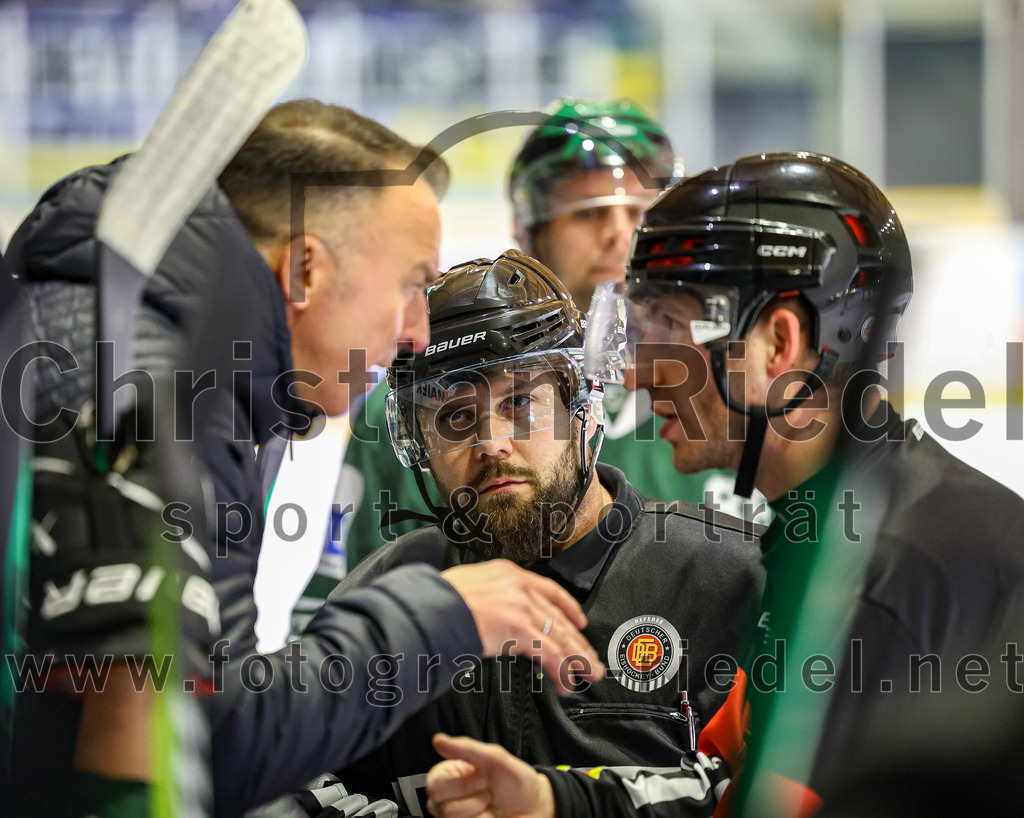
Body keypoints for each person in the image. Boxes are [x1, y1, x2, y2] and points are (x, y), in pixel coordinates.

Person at [6, 99, 602, 817]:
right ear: (306, 270)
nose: (416, 333)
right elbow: (185, 749)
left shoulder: (193, 369)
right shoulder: (149, 382)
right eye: (413, 283)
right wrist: (438, 618)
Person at [423, 151, 1024, 817]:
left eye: (669, 329)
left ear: (779, 344)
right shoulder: (841, 528)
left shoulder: (881, 579)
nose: (640, 374)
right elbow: (731, 785)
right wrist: (554, 802)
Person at [302, 250, 763, 814]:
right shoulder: (383, 596)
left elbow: (766, 790)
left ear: (586, 410)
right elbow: (292, 782)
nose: (490, 442)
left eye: (520, 402)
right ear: (418, 445)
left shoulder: (725, 581)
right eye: (455, 417)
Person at [290, 99, 760, 639]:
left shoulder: (727, 393)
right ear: (528, 234)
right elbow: (336, 624)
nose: (620, 234)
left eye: (642, 214)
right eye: (589, 213)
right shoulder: (420, 400)